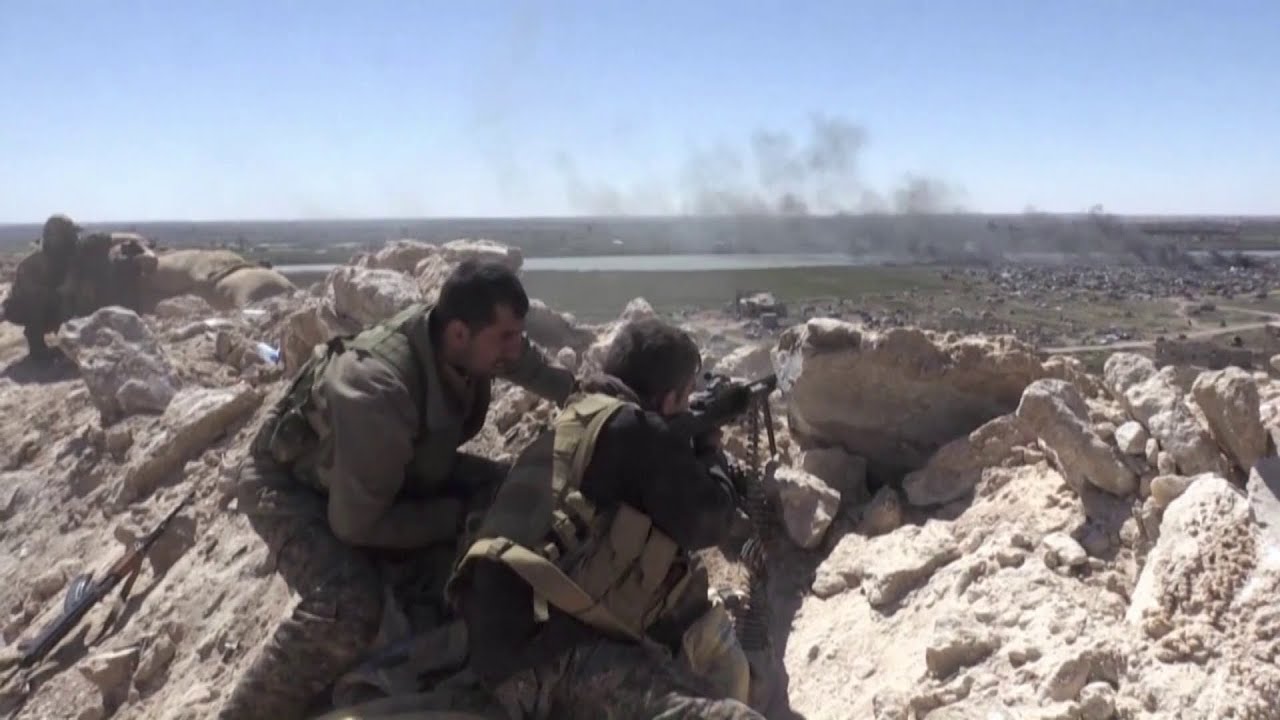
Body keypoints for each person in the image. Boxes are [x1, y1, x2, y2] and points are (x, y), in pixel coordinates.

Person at [221, 259, 580, 720]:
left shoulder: (461, 340)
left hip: (397, 466)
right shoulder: (377, 390)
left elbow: (530, 367)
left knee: (507, 491)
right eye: (505, 337)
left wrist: (593, 398)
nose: (515, 349)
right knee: (348, 604)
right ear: (459, 333)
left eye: (517, 335)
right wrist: (455, 518)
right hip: (295, 489)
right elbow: (356, 526)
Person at [444, 317, 764, 719]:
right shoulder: (639, 432)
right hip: (550, 664)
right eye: (685, 398)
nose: (686, 407)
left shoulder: (579, 417)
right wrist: (710, 452)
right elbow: (709, 521)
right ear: (668, 400)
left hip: (495, 647)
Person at [1, 214, 82, 360]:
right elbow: (31, 295)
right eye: (69, 236)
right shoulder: (33, 264)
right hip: (24, 309)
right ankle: (37, 348)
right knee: (36, 299)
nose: (74, 239)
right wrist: (61, 293)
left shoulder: (70, 258)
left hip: (57, 304)